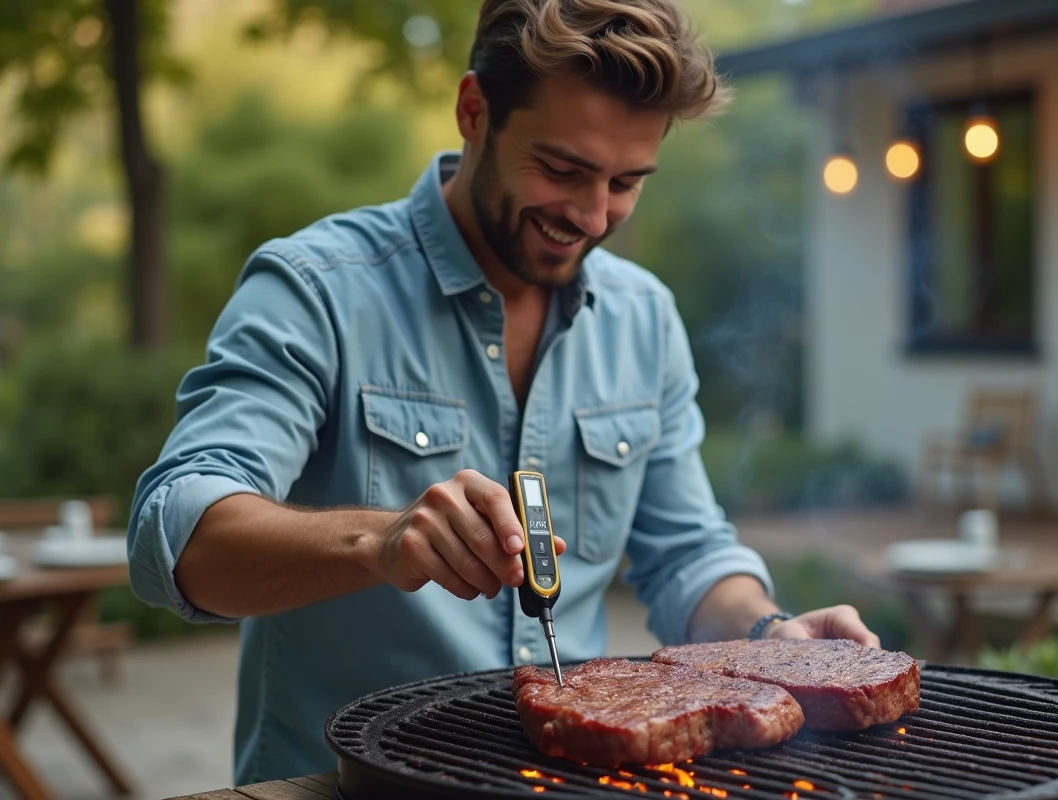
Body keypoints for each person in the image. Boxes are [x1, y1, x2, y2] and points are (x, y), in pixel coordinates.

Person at [127, 0, 880, 785]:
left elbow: (687, 554)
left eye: (626, 182)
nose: (592, 216)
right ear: (473, 111)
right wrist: (383, 543)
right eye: (562, 170)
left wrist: (768, 631)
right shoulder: (317, 289)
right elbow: (174, 540)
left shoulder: (643, 318)